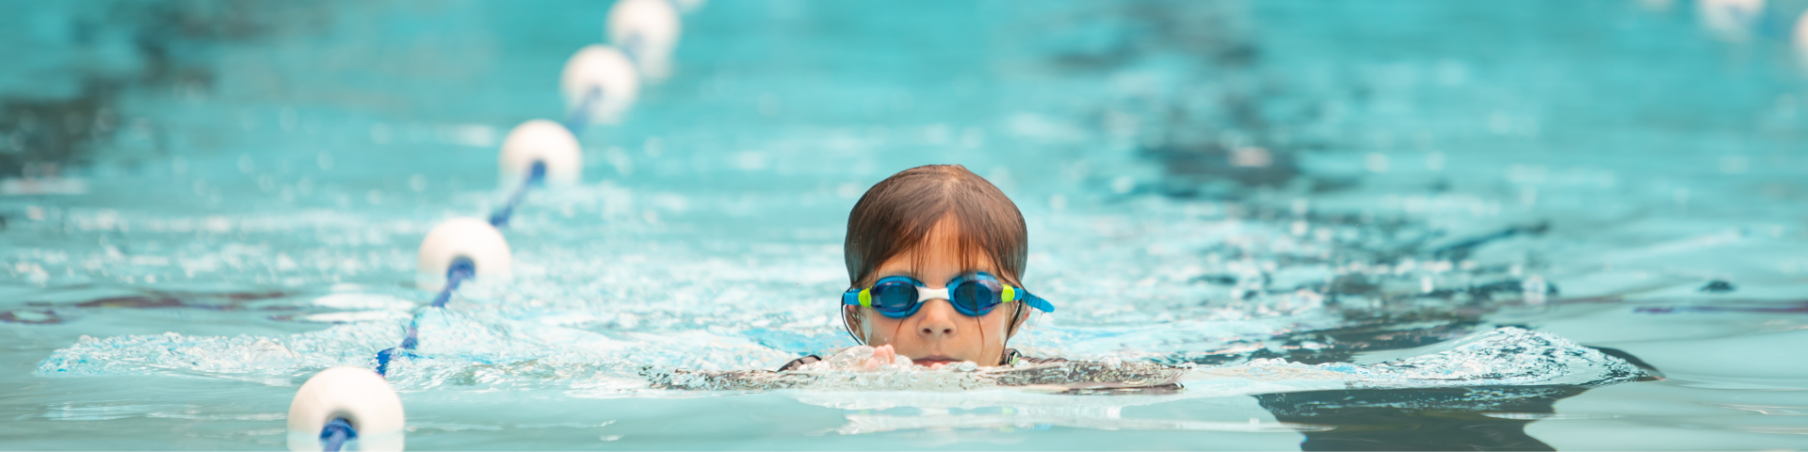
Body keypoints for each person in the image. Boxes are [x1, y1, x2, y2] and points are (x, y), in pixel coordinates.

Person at [779, 164, 1061, 371]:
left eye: (974, 295)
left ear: (1018, 314)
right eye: (898, 295)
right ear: (856, 318)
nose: (936, 322)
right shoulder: (816, 376)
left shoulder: (1043, 378)